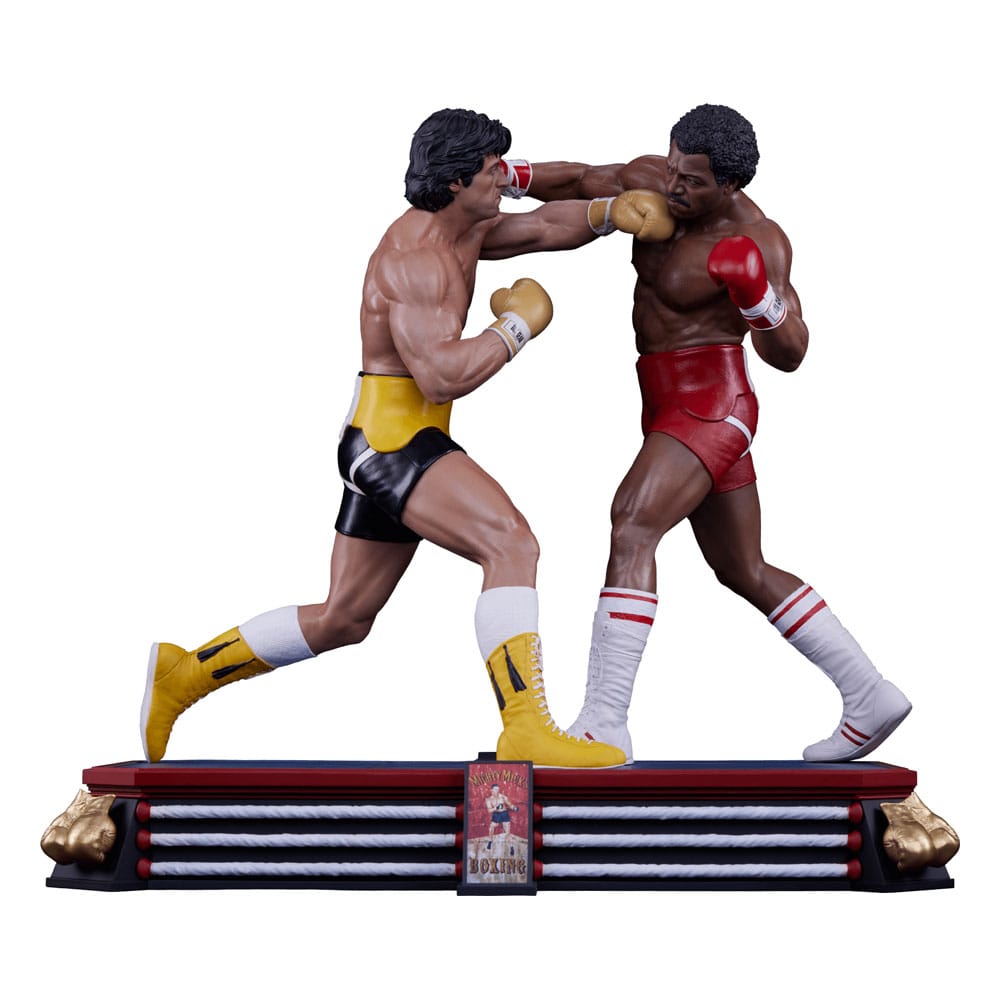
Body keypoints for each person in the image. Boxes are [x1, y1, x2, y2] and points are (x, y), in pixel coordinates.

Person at [140, 108, 671, 768]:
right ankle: (526, 728)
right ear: (453, 183)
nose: (505, 180)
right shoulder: (416, 261)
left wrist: (610, 214)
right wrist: (516, 327)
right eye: (490, 172)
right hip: (393, 443)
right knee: (511, 544)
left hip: (388, 437)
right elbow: (442, 375)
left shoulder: (460, 228)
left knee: (343, 618)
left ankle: (184, 674)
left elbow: (538, 226)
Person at [499, 104, 910, 763]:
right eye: (673, 168)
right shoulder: (652, 179)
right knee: (742, 568)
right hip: (664, 401)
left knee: (633, 522)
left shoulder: (758, 239)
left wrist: (756, 297)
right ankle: (869, 694)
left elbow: (791, 353)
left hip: (713, 404)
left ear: (729, 185)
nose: (674, 187)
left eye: (692, 181)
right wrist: (510, 176)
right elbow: (578, 179)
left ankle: (604, 722)